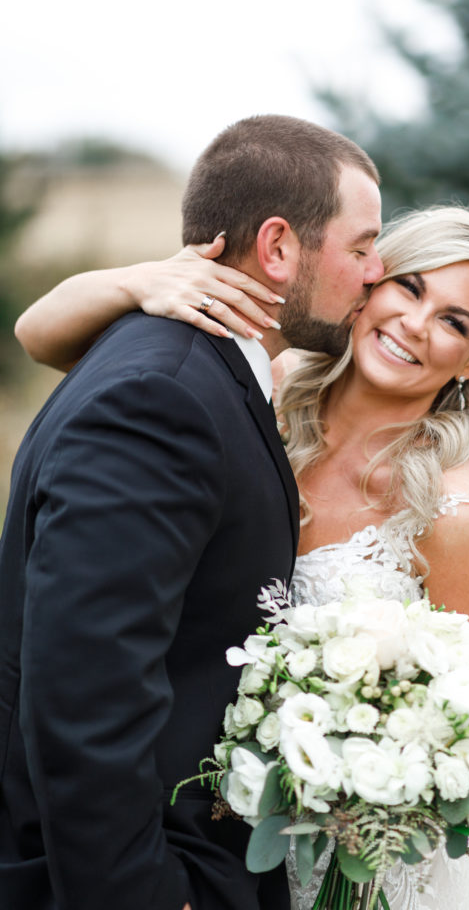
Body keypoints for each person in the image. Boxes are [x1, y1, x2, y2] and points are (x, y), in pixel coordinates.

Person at [13, 204, 469, 909]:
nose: (414, 323)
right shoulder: (265, 391)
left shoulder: (462, 519)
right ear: (369, 284)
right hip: (199, 832)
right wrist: (144, 282)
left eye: (453, 321)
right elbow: (38, 335)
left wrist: (359, 792)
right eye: (408, 288)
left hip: (354, 858)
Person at [0, 113, 385, 910]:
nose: (376, 273)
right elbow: (84, 691)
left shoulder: (202, 367)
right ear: (277, 247)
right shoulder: (163, 397)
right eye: (360, 247)